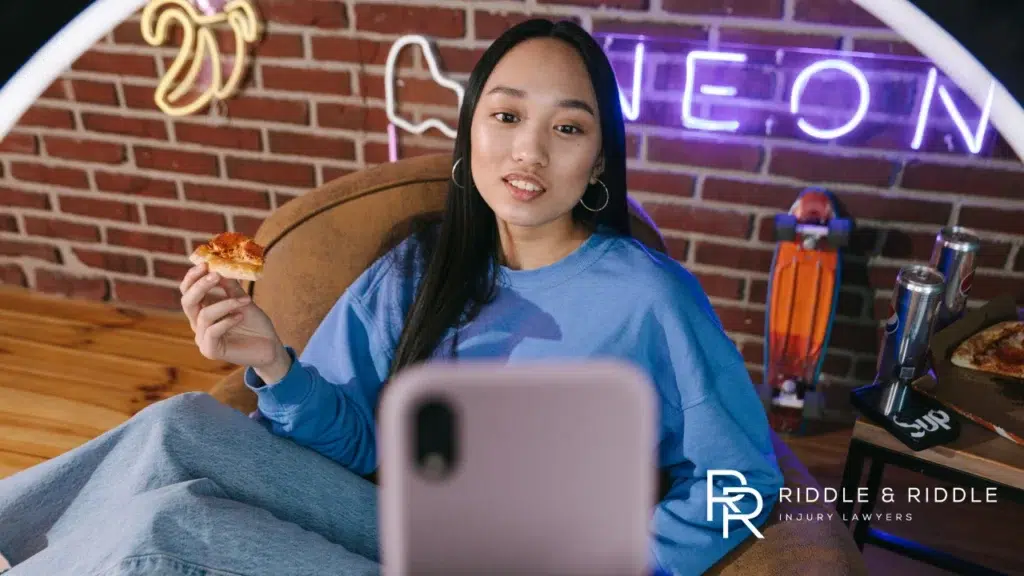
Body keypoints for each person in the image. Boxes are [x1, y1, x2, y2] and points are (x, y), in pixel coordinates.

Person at [0, 18, 782, 576]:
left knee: (171, 531)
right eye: (507, 115)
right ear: (471, 131)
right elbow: (361, 443)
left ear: (599, 157)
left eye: (567, 129)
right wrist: (274, 364)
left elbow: (743, 482)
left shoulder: (650, 298)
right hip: (399, 530)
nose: (529, 150)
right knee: (179, 423)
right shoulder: (422, 267)